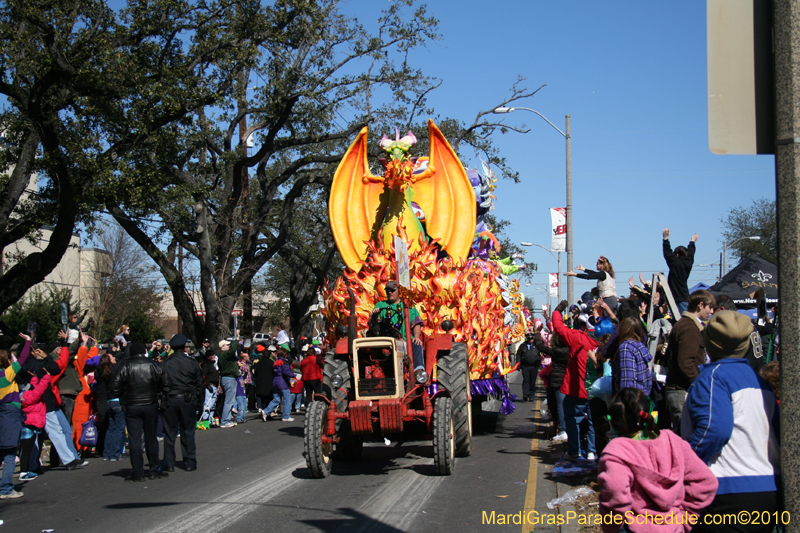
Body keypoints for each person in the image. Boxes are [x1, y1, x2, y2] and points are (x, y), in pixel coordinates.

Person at [682, 310, 780, 533]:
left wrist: (684, 463)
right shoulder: (759, 381)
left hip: (727, 490)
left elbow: (714, 430)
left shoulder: (713, 377)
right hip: (767, 489)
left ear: (709, 343)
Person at [598, 388, 718, 533]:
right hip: (674, 527)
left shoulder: (617, 451)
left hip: (634, 528)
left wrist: (610, 527)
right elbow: (706, 482)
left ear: (613, 420)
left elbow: (615, 493)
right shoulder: (672, 440)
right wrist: (686, 518)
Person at [110, 341, 170, 481]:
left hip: (132, 405)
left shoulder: (125, 366)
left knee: (135, 440)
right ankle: (154, 469)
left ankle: (138, 472)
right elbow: (166, 385)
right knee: (151, 438)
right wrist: (157, 392)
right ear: (144, 352)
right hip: (150, 404)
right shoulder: (154, 365)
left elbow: (114, 387)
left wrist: (124, 395)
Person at [551, 299, 599, 461]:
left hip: (577, 389)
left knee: (572, 420)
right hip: (599, 391)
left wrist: (557, 311)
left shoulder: (578, 338)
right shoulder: (607, 340)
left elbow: (559, 328)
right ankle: (592, 451)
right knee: (593, 422)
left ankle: (574, 450)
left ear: (584, 326)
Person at [663, 290, 715, 431]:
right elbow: (685, 362)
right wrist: (699, 383)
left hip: (680, 389)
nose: (711, 311)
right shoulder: (690, 327)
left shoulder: (684, 324)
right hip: (682, 390)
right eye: (710, 307)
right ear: (701, 305)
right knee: (686, 435)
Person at [161, 334, 203, 472]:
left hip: (170, 399)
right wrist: (199, 402)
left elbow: (161, 383)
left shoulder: (166, 363)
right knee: (188, 431)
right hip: (187, 399)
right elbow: (199, 383)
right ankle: (190, 462)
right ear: (184, 347)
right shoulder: (191, 362)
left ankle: (169, 463)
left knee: (169, 433)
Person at [371, 280, 426, 380]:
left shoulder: (408, 306)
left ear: (399, 291)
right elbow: (373, 325)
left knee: (416, 343)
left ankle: (419, 372)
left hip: (404, 341)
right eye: (387, 290)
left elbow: (416, 323)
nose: (390, 292)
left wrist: (416, 336)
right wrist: (375, 316)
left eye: (392, 290)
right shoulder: (380, 305)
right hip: (387, 341)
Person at [535, 327, 570, 442]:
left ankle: (562, 430)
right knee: (561, 405)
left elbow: (540, 346)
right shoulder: (570, 350)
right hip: (566, 379)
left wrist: (537, 333)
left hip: (557, 380)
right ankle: (560, 429)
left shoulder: (556, 351)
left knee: (558, 406)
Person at [95, 351, 125, 461]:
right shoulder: (115, 371)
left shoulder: (100, 372)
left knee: (110, 428)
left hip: (108, 401)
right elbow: (124, 359)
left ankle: (107, 452)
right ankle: (115, 453)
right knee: (119, 428)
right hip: (117, 400)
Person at [613, 317, 653, 395]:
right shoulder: (640, 346)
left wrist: (625, 397)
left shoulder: (626, 347)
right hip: (642, 394)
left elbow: (628, 377)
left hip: (631, 396)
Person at [662, 228, 697, 314]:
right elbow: (691, 253)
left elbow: (668, 253)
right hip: (684, 295)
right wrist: (692, 242)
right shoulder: (689, 261)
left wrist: (665, 238)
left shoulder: (675, 263)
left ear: (677, 255)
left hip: (675, 297)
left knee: (679, 319)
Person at [263, 347, 296, 422]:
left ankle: (266, 411)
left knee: (276, 400)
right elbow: (286, 371)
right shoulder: (284, 362)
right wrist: (294, 375)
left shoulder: (276, 362)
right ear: (285, 354)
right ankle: (286, 416)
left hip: (275, 382)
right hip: (283, 382)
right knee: (287, 400)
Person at [216, 339, 239, 428]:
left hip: (228, 378)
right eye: (227, 345)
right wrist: (236, 340)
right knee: (229, 401)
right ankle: (225, 421)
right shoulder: (224, 354)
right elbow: (232, 350)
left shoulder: (225, 355)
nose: (229, 346)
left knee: (229, 401)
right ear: (222, 347)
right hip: (229, 378)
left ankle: (227, 419)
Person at [515, 332, 540, 402]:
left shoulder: (536, 346)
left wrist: (539, 362)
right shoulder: (523, 346)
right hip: (525, 366)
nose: (530, 340)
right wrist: (518, 364)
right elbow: (518, 355)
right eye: (529, 339)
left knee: (532, 381)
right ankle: (525, 394)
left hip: (534, 366)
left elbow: (539, 354)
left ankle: (531, 395)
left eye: (532, 338)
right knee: (526, 380)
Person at [199, 347, 220, 426]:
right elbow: (204, 376)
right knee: (207, 403)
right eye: (211, 355)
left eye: (213, 355)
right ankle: (205, 419)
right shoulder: (206, 365)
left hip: (215, 385)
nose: (213, 356)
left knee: (212, 404)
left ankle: (211, 420)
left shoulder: (213, 365)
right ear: (207, 357)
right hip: (209, 385)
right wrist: (207, 385)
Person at [254, 345, 275, 421]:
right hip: (269, 382)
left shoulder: (259, 363)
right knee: (269, 398)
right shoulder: (271, 363)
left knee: (263, 399)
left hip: (260, 382)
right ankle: (267, 414)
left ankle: (264, 411)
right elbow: (274, 372)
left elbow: (255, 372)